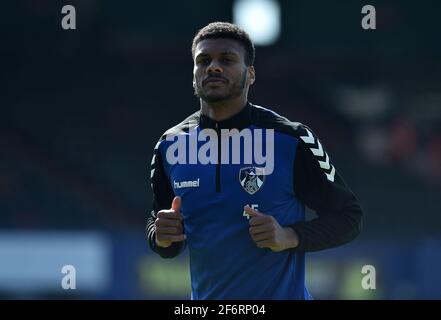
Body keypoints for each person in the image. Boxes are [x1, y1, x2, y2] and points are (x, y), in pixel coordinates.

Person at [146, 22, 363, 300]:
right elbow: (163, 232)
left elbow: (349, 218)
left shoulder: (291, 139)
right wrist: (161, 236)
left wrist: (288, 236)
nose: (213, 67)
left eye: (227, 60)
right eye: (203, 61)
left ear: (250, 75)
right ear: (193, 75)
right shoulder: (169, 145)